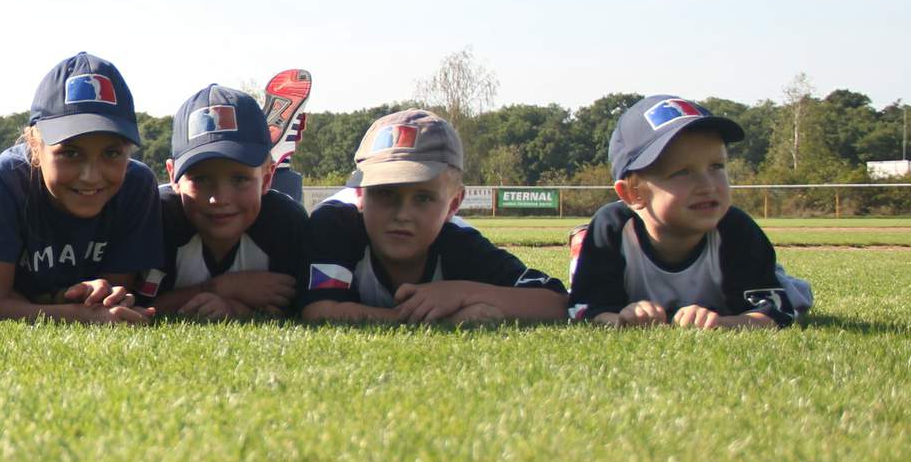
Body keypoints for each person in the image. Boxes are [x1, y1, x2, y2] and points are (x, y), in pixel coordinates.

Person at [0, 52, 163, 324]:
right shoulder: (4, 178)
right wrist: (79, 316)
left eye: (111, 153)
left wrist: (94, 297)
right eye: (71, 153)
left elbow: (109, 299)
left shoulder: (136, 185)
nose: (90, 176)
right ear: (35, 145)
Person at [297, 109, 568, 324]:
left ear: (453, 204)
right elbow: (320, 310)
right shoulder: (336, 224)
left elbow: (556, 302)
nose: (403, 215)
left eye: (423, 198)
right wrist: (425, 319)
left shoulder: (459, 242)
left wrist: (462, 293)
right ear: (358, 194)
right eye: (384, 194)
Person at [568, 95, 810, 329]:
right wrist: (621, 318)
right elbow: (584, 309)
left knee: (796, 297)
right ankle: (583, 245)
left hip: (741, 277)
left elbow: (776, 313)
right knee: (589, 263)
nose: (708, 185)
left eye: (716, 166)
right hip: (612, 255)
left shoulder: (735, 229)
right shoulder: (612, 228)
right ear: (633, 194)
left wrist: (722, 323)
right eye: (682, 172)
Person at [146, 85, 308, 319]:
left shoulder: (285, 223)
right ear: (174, 176)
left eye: (240, 179)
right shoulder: (158, 219)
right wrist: (219, 288)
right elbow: (134, 308)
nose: (219, 199)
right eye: (200, 179)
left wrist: (236, 309)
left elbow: (298, 312)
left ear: (266, 178)